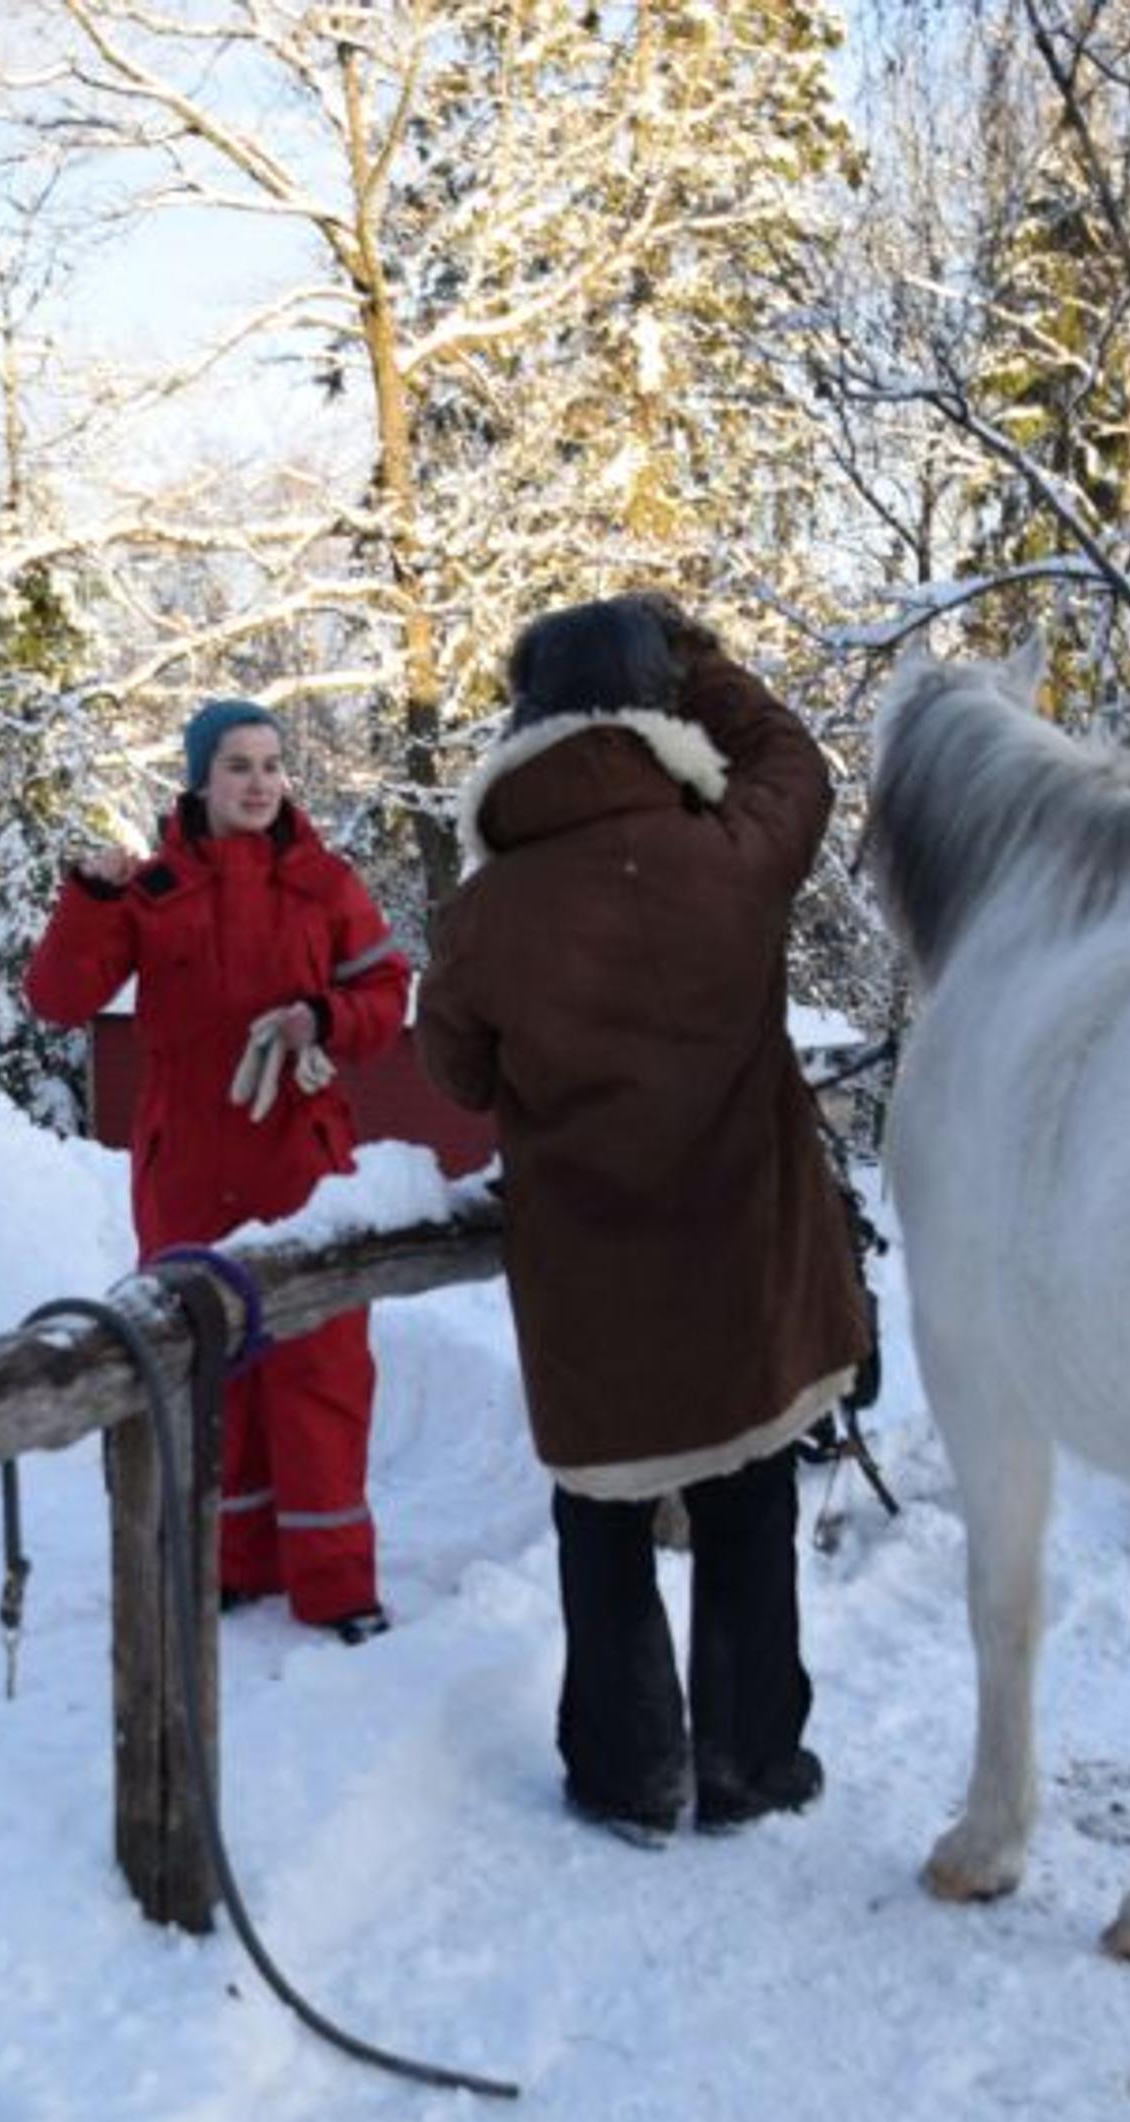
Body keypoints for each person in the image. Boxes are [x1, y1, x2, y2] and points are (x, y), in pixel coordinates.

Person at [416, 598, 872, 1834]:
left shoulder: (489, 909)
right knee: (749, 1500)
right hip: (739, 1261)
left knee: (604, 1524)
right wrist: (707, 666)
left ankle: (629, 1771)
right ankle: (746, 1761)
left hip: (590, 1288)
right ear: (654, 709)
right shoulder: (727, 851)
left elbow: (453, 1069)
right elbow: (796, 763)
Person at [25, 699, 413, 1640]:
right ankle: (229, 1565)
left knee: (319, 1370)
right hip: (188, 1173)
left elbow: (386, 992)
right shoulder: (153, 890)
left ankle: (336, 1584)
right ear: (200, 780)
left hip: (303, 1167)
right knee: (209, 1371)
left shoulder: (327, 883)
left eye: (272, 764)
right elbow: (58, 999)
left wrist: (322, 1017)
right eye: (238, 765)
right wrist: (89, 899)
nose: (260, 782)